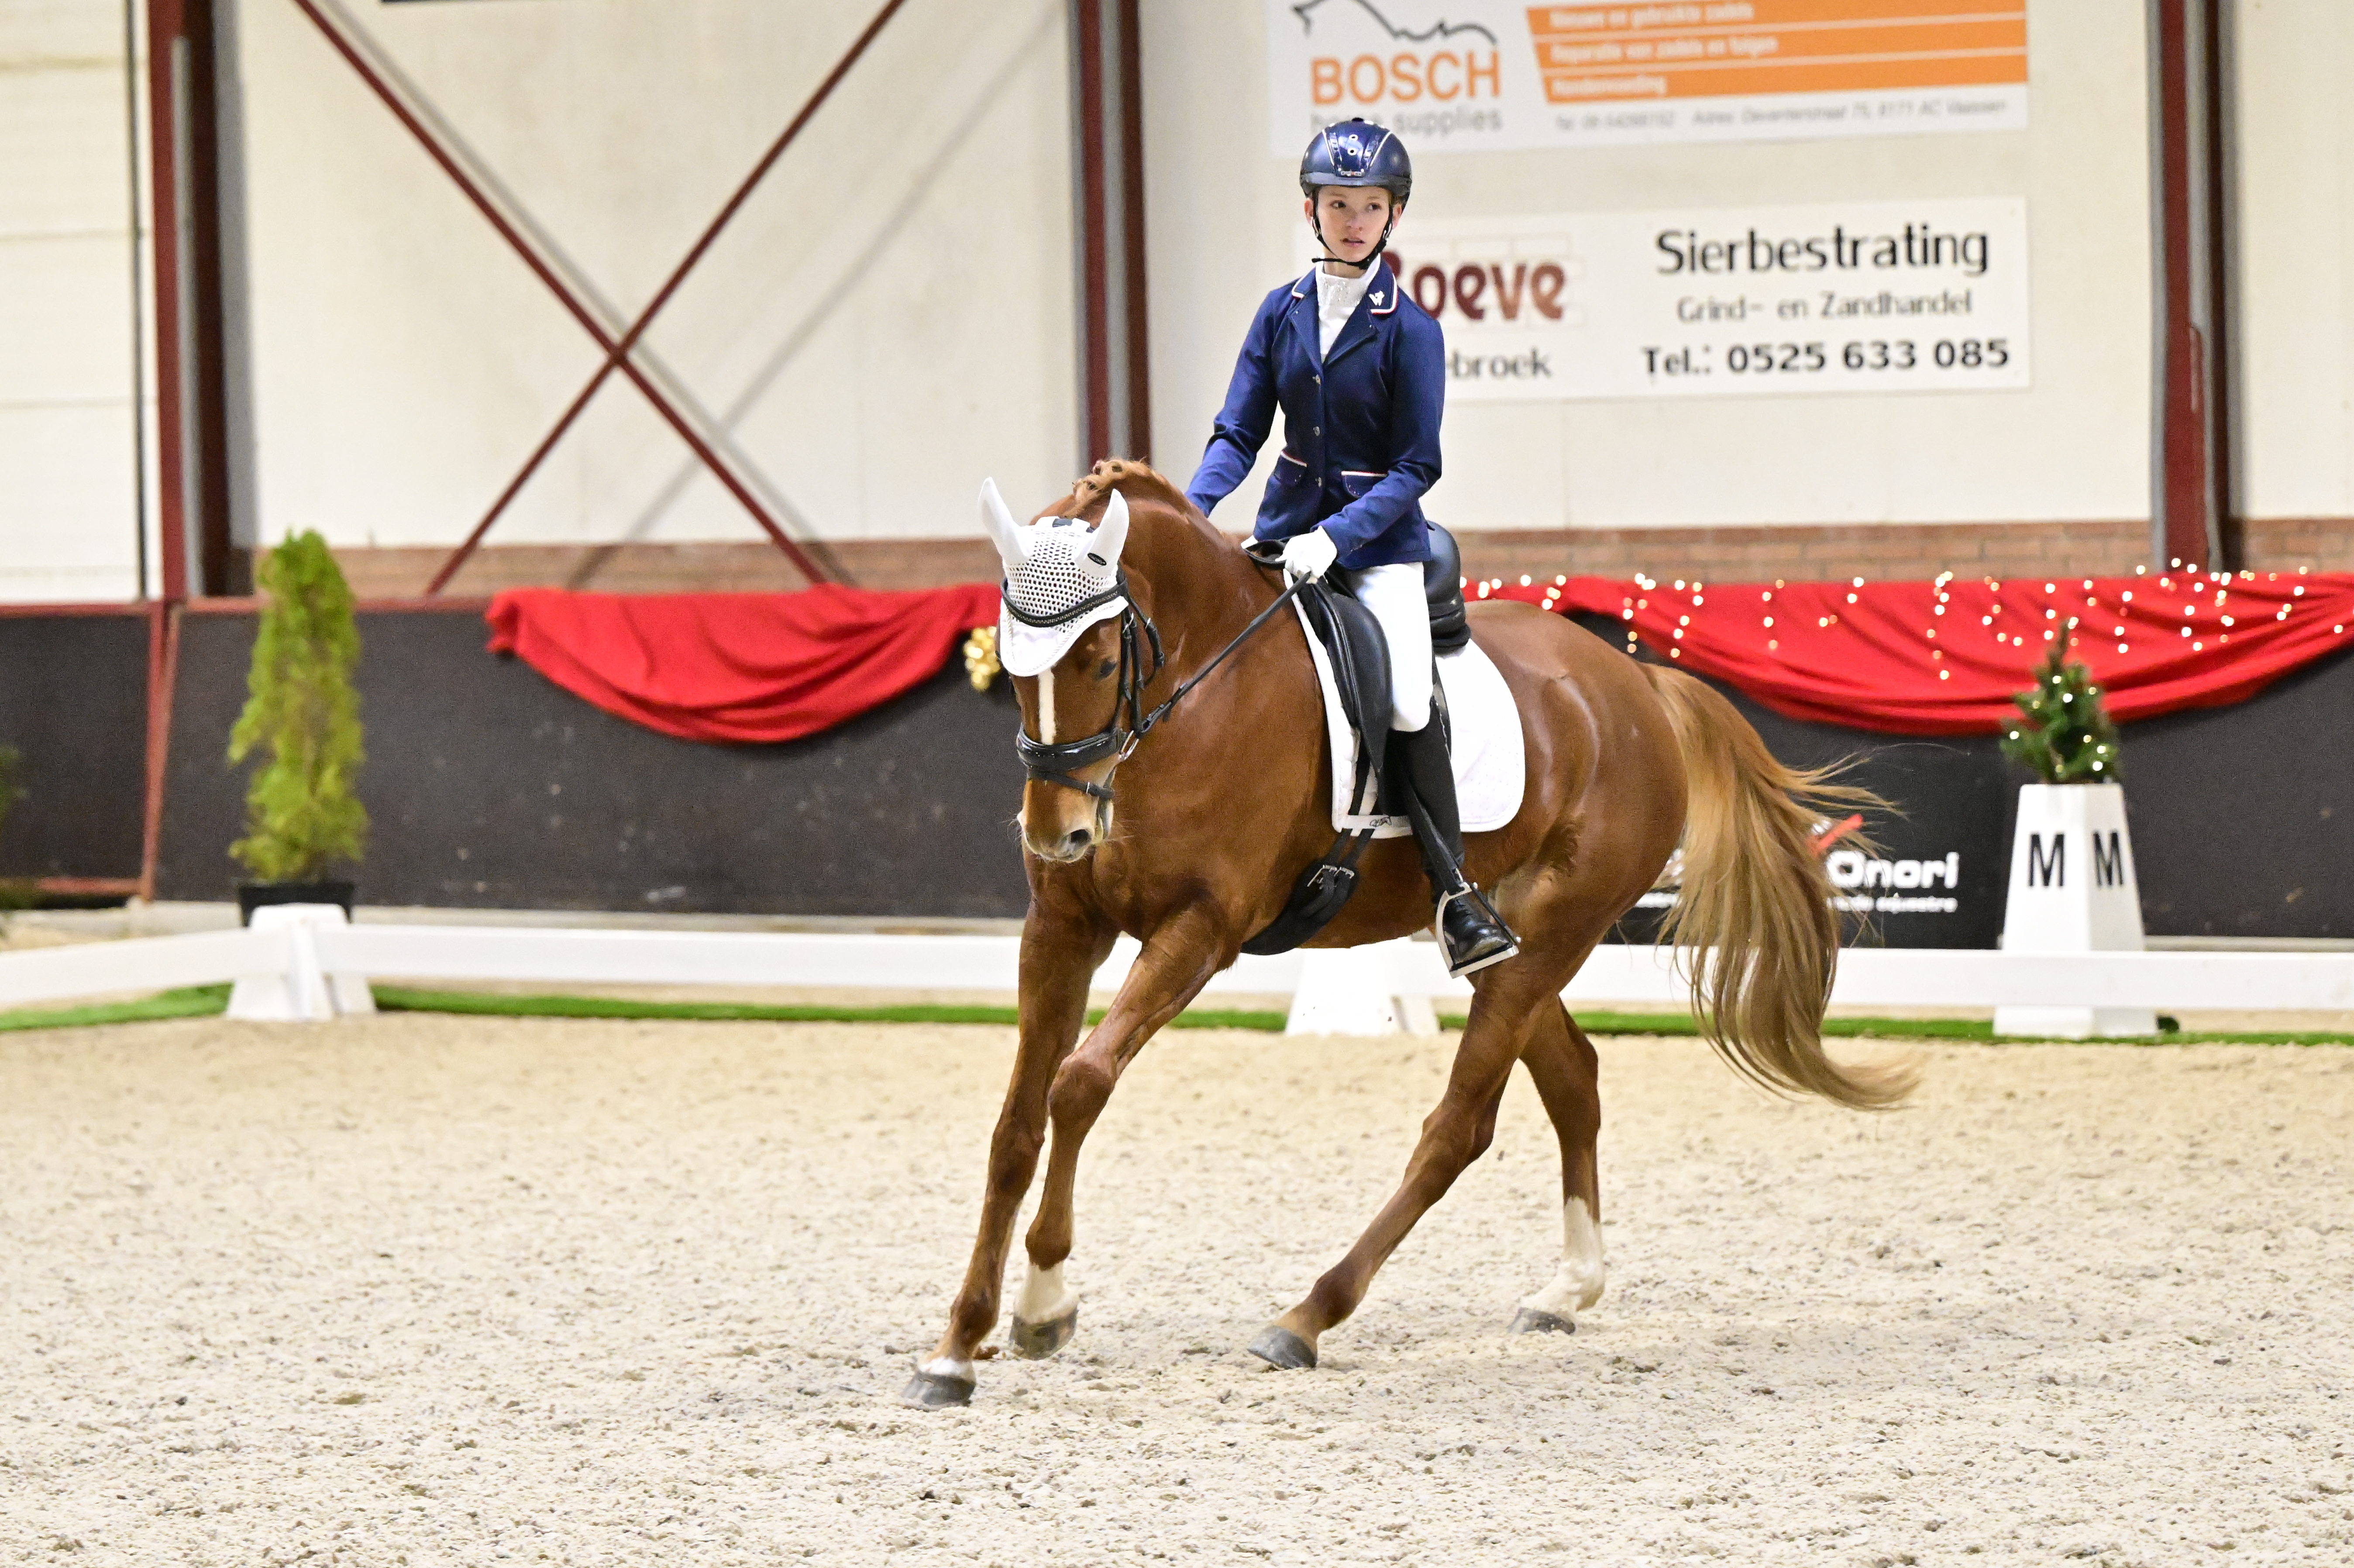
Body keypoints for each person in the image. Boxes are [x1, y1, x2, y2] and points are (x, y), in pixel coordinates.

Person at [1185, 118, 1517, 979]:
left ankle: (1454, 895)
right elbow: (1237, 432)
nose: (1354, 220)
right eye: (1339, 205)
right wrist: (1191, 511)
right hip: (1281, 534)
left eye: (1370, 207)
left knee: (1407, 697)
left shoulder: (1412, 329)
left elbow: (1417, 464)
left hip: (1375, 548)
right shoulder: (1279, 312)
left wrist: (1336, 537)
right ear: (1311, 209)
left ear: (1391, 215)